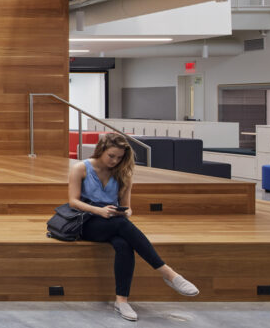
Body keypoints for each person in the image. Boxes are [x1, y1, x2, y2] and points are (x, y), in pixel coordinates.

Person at [67, 132, 199, 321]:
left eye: (119, 157)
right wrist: (99, 211)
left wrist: (126, 212)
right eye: (111, 156)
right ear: (101, 150)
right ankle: (168, 273)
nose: (114, 161)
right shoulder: (81, 168)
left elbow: (127, 206)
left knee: (123, 244)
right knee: (121, 226)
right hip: (87, 221)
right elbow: (73, 202)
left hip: (113, 221)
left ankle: (122, 301)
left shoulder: (123, 173)